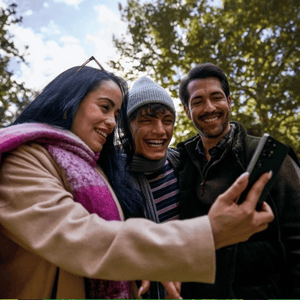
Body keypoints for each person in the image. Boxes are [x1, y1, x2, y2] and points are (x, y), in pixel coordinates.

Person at [0, 57, 273, 299]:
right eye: (105, 107)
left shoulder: (98, 167)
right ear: (67, 103)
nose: (110, 121)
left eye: (115, 113)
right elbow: (84, 237)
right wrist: (208, 233)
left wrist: (155, 262)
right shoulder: (24, 159)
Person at [126, 76, 275, 299]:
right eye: (146, 121)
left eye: (167, 120)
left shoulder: (182, 165)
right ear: (126, 126)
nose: (159, 130)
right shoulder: (109, 178)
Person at [177, 62, 300, 298]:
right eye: (198, 101)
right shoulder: (181, 162)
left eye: (216, 97)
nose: (209, 107)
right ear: (186, 110)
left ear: (229, 101)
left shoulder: (271, 157)